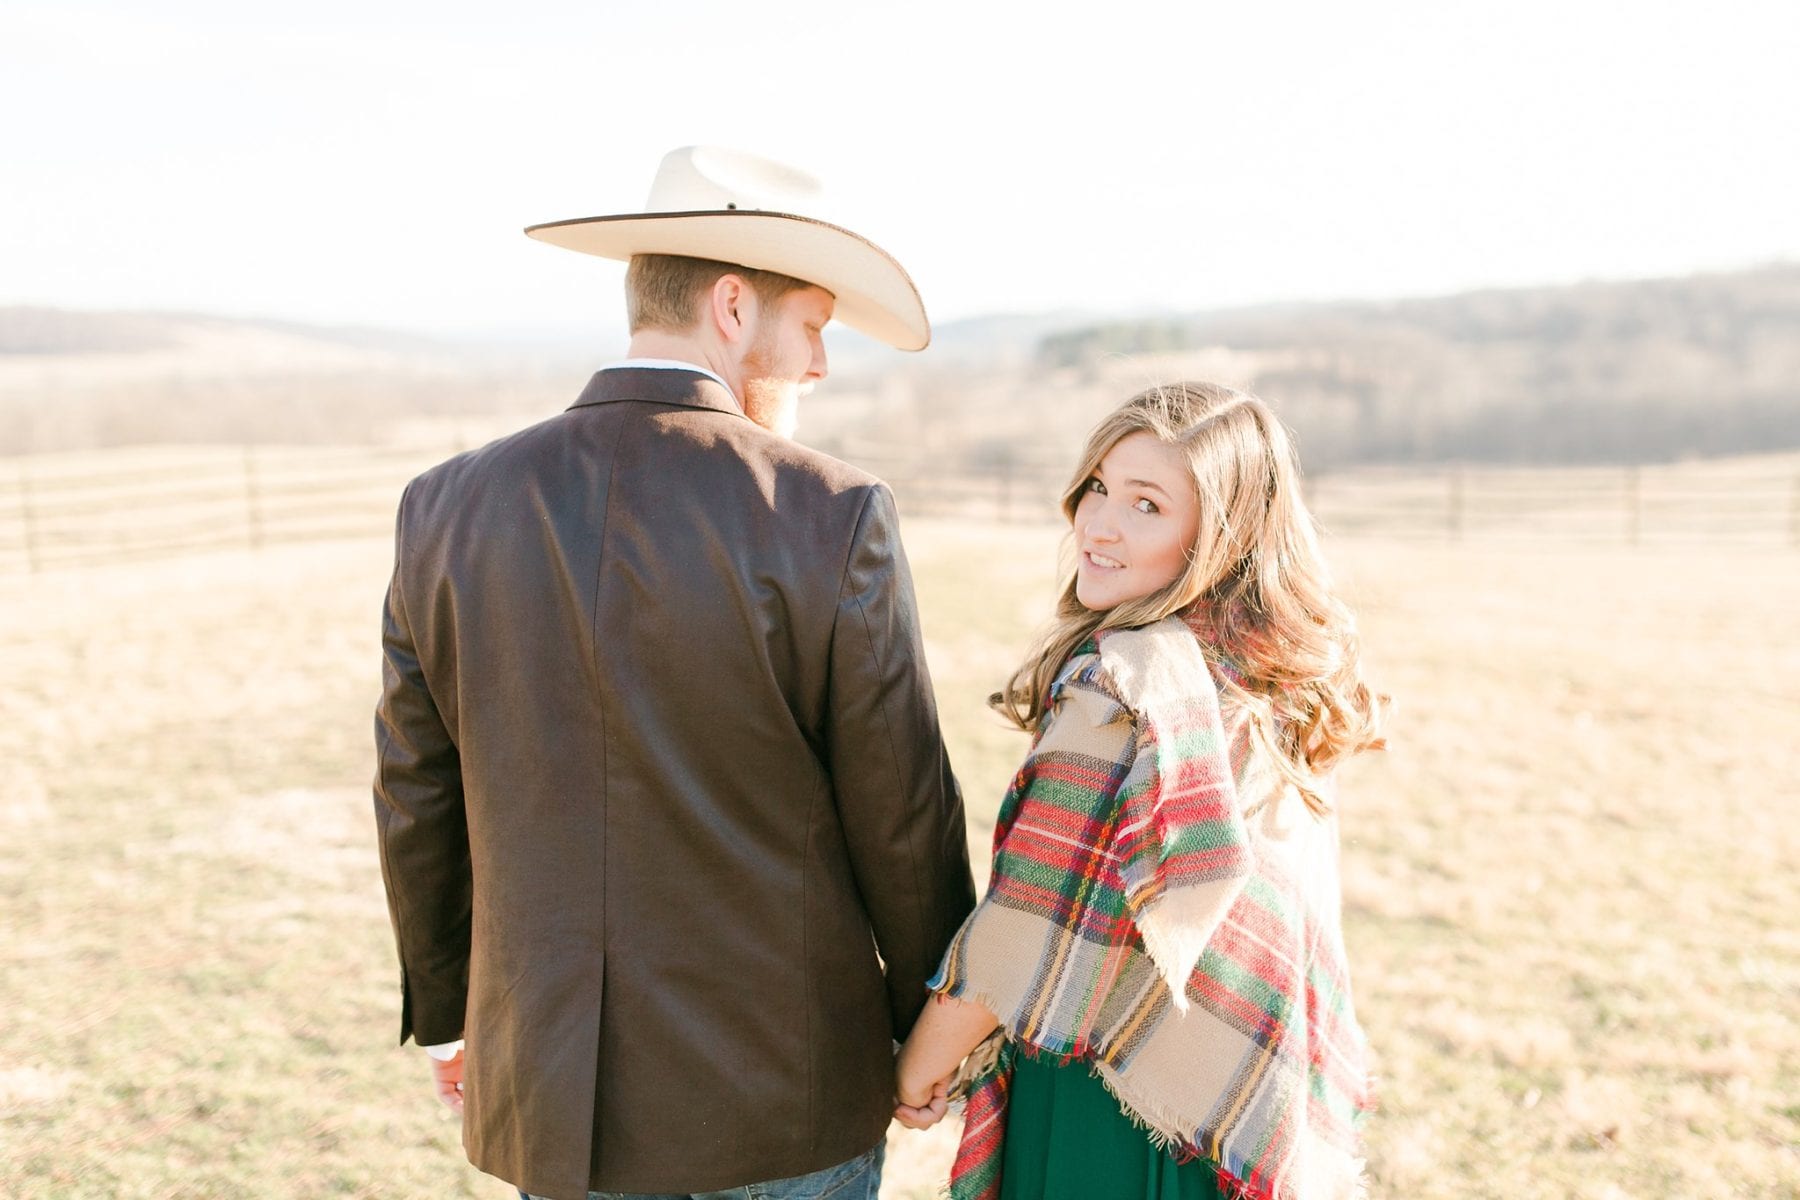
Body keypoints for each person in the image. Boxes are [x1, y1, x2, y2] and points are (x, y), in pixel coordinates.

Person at [373, 146, 976, 1200]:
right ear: (733, 307)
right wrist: (937, 1014)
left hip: (557, 1091)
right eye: (816, 327)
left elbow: (416, 796)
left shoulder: (443, 508)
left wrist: (449, 1013)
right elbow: (903, 815)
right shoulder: (830, 513)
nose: (822, 366)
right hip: (788, 1098)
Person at [893, 382, 1388, 1200]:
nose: (1100, 525)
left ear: (1219, 538)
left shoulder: (1128, 687)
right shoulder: (1274, 686)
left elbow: (1024, 935)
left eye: (1147, 505)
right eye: (1098, 488)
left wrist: (919, 1066)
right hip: (1229, 1107)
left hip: (1105, 1108)